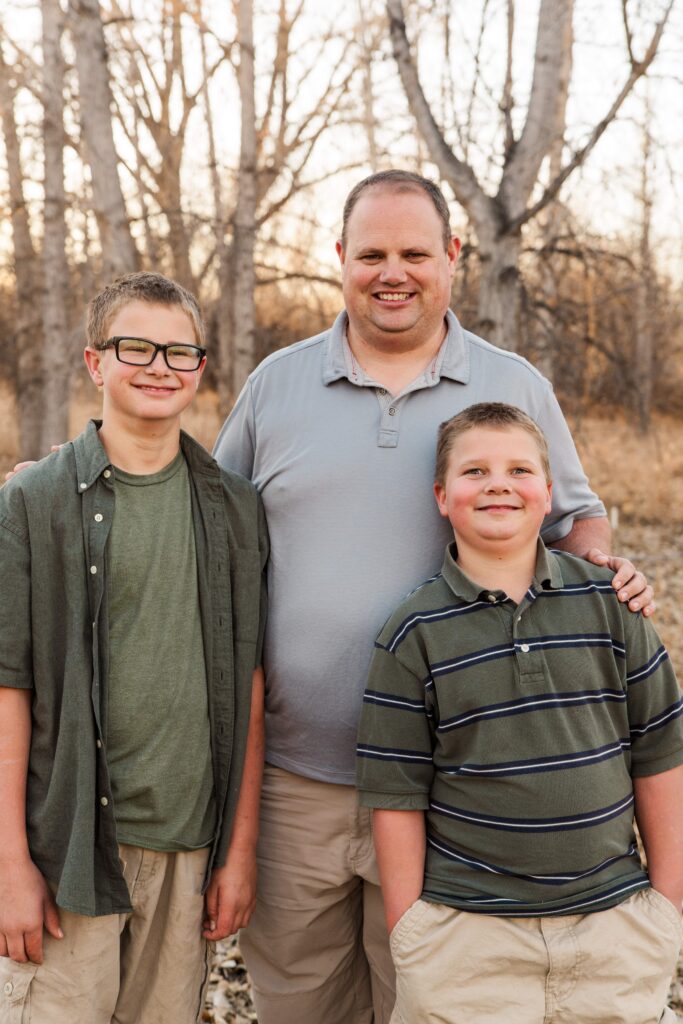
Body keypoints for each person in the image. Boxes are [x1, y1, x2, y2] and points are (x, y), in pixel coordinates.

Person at [213, 170, 653, 1024]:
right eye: (371, 253)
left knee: (423, 1004)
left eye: (415, 252)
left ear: (452, 256)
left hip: (448, 786)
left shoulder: (510, 382)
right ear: (338, 260)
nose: (392, 272)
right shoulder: (277, 384)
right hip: (290, 784)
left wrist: (606, 568)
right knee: (297, 1005)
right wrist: (54, 485)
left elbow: (573, 514)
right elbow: (206, 520)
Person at [356, 401, 683, 1024]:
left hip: (610, 927)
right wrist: (413, 932)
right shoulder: (414, 632)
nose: (499, 483)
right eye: (475, 471)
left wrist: (667, 906)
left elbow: (662, 753)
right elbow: (396, 794)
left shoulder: (611, 607)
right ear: (441, 495)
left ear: (549, 493)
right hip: (467, 939)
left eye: (519, 470)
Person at [0, 272, 268, 1024]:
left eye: (179, 352)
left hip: (188, 846)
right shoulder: (35, 501)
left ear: (201, 369)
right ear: (95, 363)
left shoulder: (234, 507)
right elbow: (9, 690)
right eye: (136, 347)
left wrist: (236, 852)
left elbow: (248, 683)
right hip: (69, 849)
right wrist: (10, 864)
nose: (159, 367)